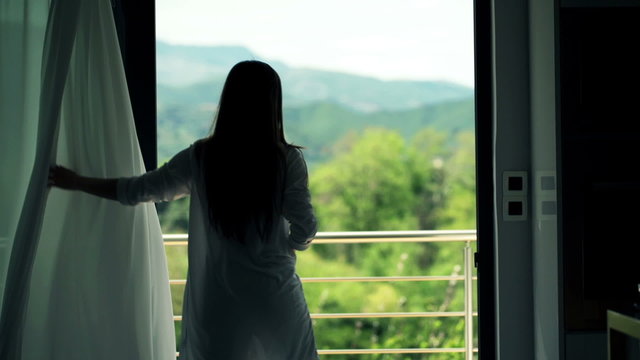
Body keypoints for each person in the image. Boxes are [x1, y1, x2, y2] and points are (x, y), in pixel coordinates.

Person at [49, 60, 319, 360]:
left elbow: (138, 190)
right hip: (275, 295)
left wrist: (75, 181)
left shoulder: (201, 158)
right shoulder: (286, 160)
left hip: (218, 302)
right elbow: (305, 226)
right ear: (273, 104)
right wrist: (290, 246)